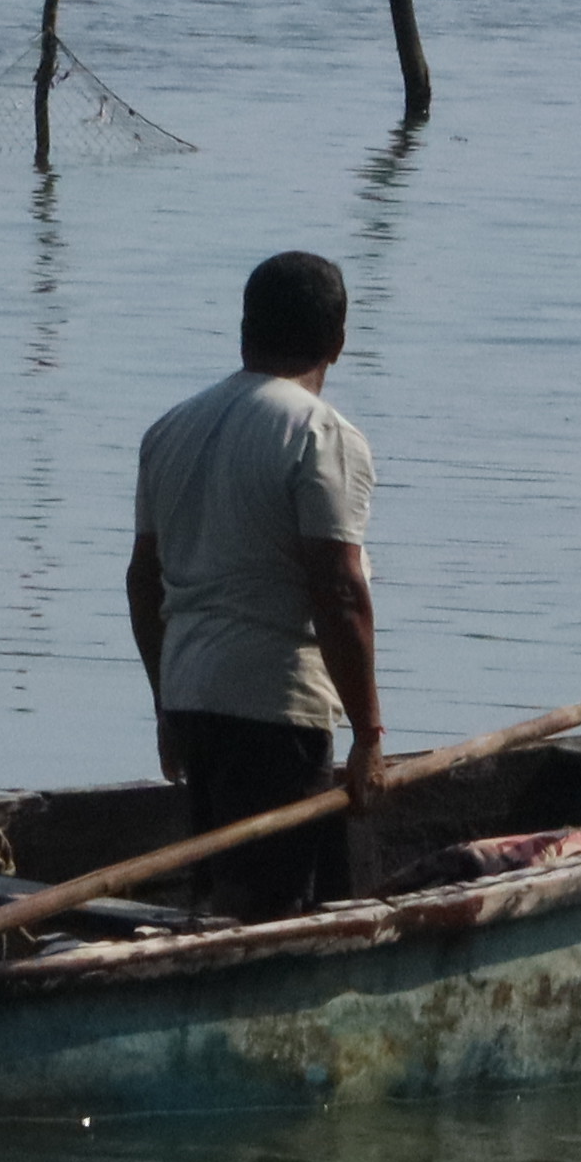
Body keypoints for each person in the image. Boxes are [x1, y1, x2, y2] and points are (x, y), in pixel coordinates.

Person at [126, 248, 382, 920]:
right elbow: (339, 591)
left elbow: (143, 583)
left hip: (192, 695)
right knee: (274, 912)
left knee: (221, 901)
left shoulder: (170, 429)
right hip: (275, 709)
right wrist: (370, 735)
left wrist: (165, 708)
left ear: (244, 332)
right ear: (338, 342)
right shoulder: (321, 435)